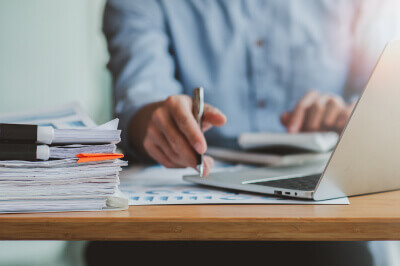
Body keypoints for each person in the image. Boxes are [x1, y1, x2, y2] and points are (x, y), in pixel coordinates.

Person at [98, 1, 400, 265]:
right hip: (176, 221)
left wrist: (350, 115)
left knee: (336, 255)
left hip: (319, 223)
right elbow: (138, 96)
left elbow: (384, 97)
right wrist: (152, 122)